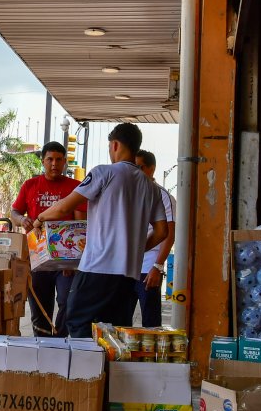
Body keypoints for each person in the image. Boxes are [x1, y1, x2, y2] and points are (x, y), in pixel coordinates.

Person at [33, 123, 169, 337]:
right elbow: (162, 232)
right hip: (128, 275)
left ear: (115, 145)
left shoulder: (104, 173)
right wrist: (133, 250)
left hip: (97, 268)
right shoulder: (151, 187)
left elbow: (64, 207)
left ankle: (87, 370)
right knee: (113, 334)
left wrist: (39, 218)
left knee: (78, 323)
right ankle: (108, 370)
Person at [9, 141, 85, 336]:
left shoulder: (76, 188)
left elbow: (81, 225)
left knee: (69, 302)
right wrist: (21, 219)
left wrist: (74, 261)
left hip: (66, 262)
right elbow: (15, 211)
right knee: (39, 307)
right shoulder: (30, 185)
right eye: (50, 159)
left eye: (59, 160)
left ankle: (58, 339)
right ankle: (42, 344)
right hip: (37, 258)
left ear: (65, 162)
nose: (54, 164)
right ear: (43, 161)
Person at [134, 149, 175, 327]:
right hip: (124, 268)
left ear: (152, 169)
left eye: (140, 167)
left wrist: (157, 267)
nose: (136, 172)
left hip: (147, 268)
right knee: (118, 322)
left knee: (150, 324)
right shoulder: (128, 193)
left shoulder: (163, 196)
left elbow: (169, 234)